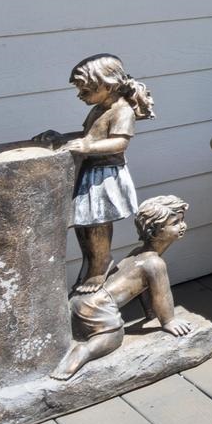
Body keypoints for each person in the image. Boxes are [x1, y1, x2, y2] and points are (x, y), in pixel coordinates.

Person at [34, 54, 151, 292]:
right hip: (91, 173)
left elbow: (119, 143)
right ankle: (92, 261)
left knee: (97, 222)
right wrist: (61, 138)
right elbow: (88, 136)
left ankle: (101, 264)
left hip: (105, 176)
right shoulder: (99, 108)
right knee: (83, 223)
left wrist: (87, 147)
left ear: (107, 85)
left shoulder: (122, 111)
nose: (80, 96)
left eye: (85, 91)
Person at [51, 195, 193, 380]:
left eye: (182, 220)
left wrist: (150, 314)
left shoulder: (139, 254)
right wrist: (168, 321)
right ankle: (83, 352)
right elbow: (161, 296)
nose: (182, 225)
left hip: (83, 299)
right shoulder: (155, 263)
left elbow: (145, 290)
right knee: (113, 338)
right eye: (175, 222)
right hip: (99, 307)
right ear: (154, 231)